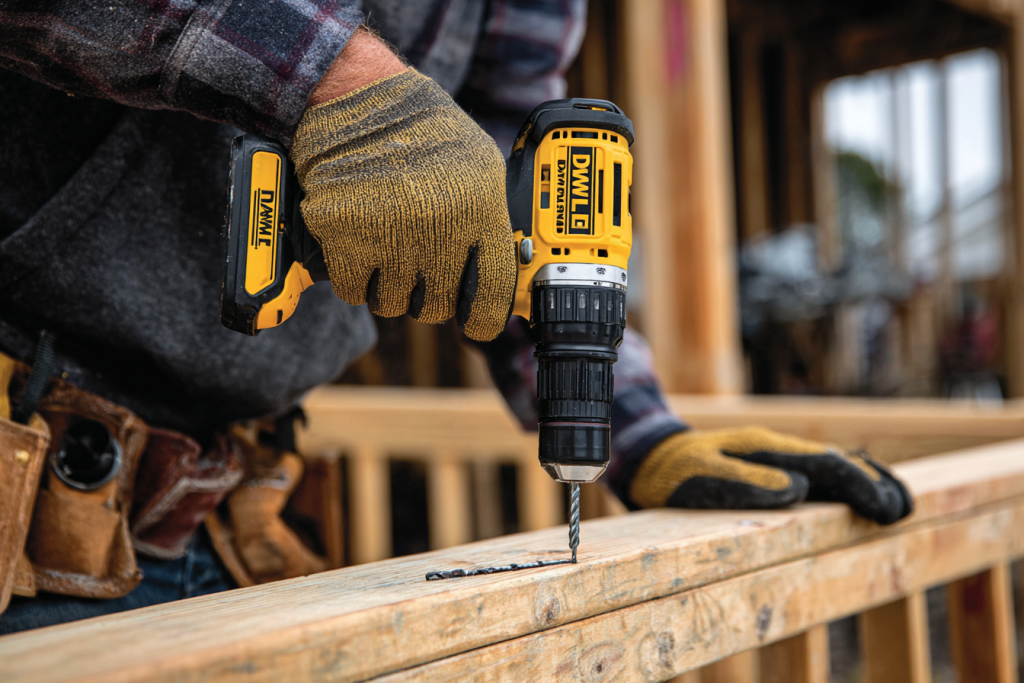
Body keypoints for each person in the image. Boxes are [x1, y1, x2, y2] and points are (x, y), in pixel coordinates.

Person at [0, 0, 912, 634]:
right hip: (22, 493)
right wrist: (340, 85)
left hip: (229, 515)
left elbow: (528, 164)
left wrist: (639, 432)